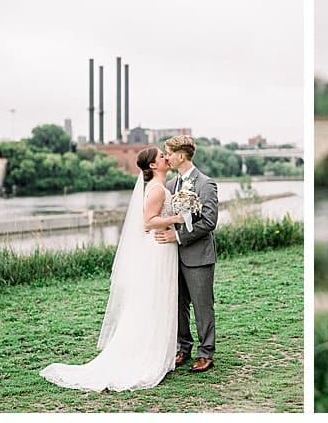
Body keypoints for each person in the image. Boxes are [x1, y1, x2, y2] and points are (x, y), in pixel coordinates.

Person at [41, 147, 182, 391]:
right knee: (156, 298)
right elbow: (148, 222)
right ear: (152, 166)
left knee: (161, 298)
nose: (165, 158)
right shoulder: (157, 189)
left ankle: (161, 352)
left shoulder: (161, 187)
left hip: (164, 247)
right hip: (158, 247)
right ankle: (150, 354)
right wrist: (177, 219)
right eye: (161, 156)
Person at [155, 135, 220, 373]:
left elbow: (209, 222)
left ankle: (206, 353)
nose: (167, 157)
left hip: (198, 256)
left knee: (203, 306)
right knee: (178, 304)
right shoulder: (170, 186)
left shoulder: (206, 184)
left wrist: (179, 237)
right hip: (172, 257)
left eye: (169, 153)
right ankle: (183, 347)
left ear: (181, 156)